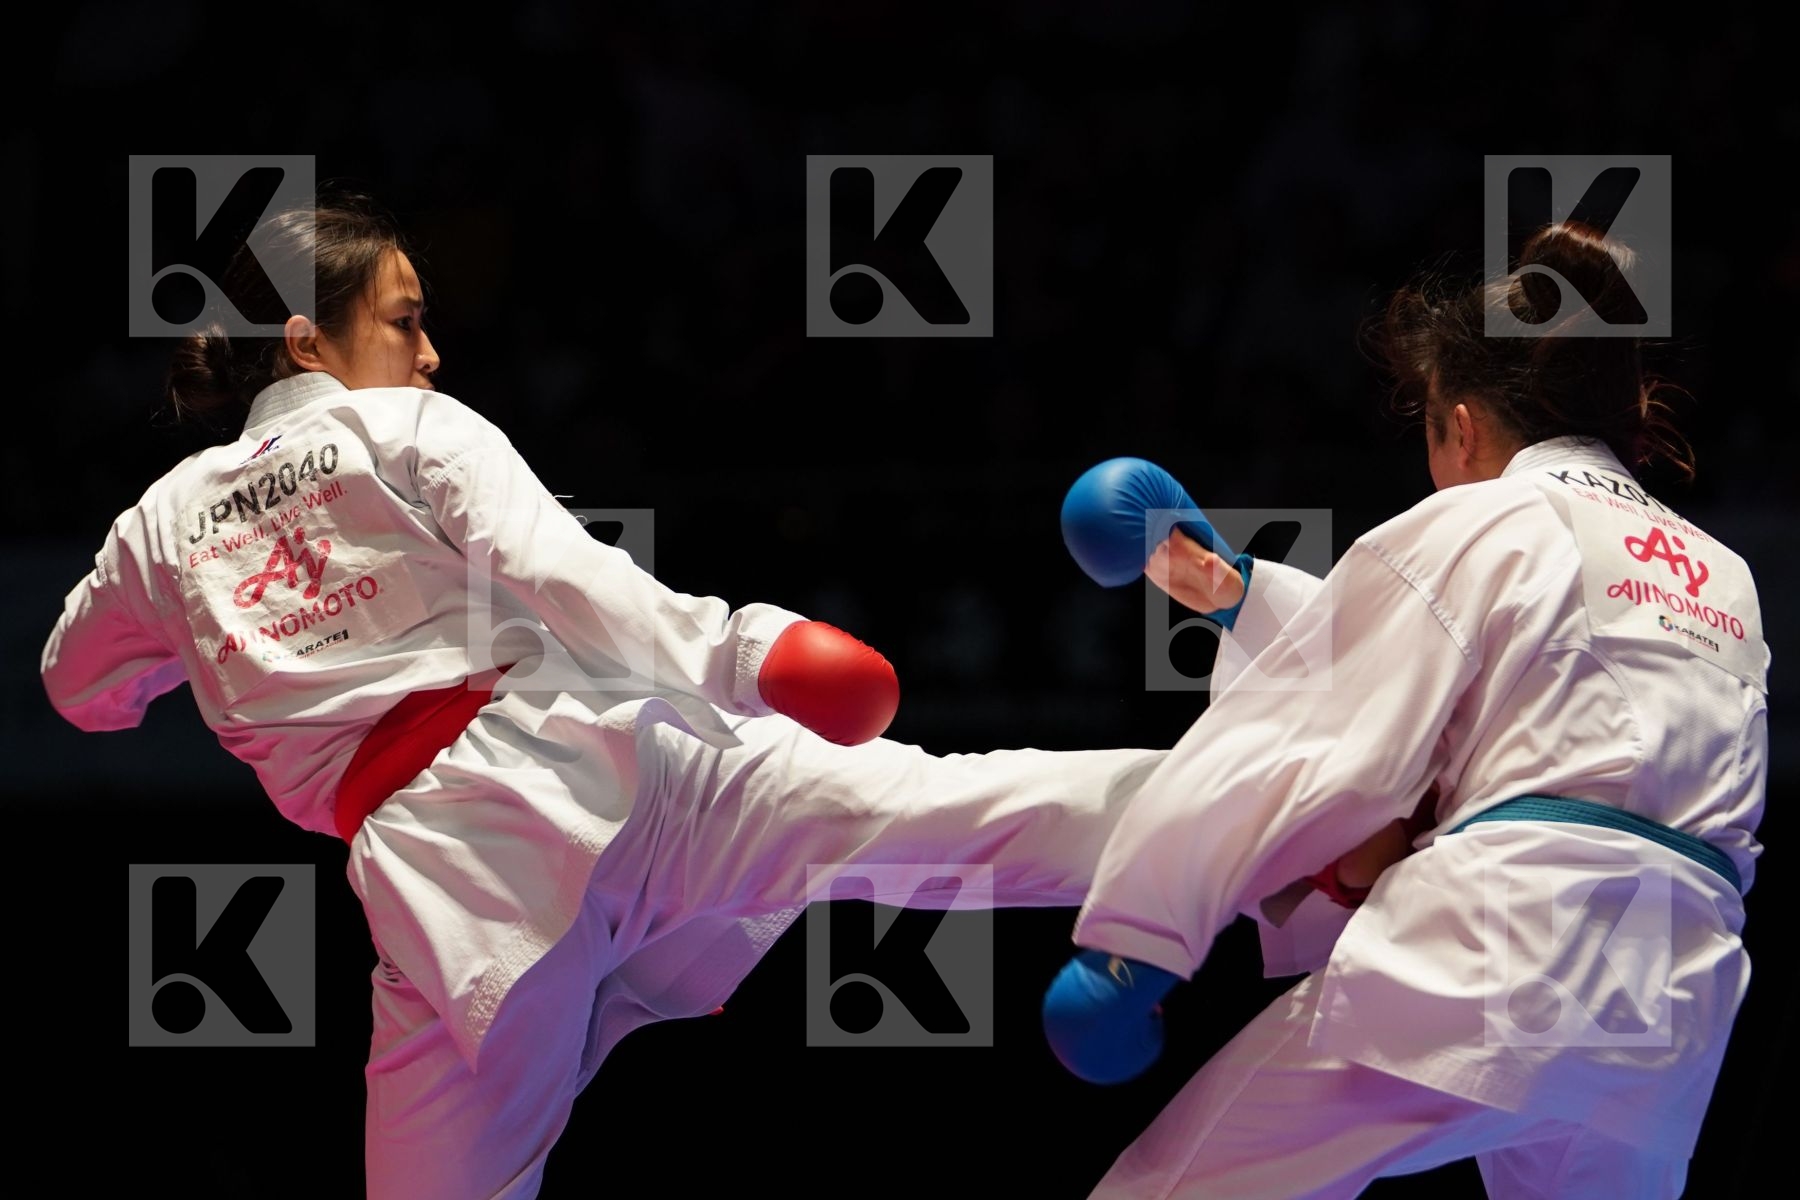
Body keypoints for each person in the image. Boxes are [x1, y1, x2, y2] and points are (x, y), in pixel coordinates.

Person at [43, 192, 1179, 1199]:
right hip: (617, 773)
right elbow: (567, 577)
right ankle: (1269, 809)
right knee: (936, 813)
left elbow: (75, 685)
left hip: (449, 883)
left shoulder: (158, 525)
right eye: (404, 321)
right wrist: (750, 653)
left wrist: (177, 661)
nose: (431, 354)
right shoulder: (401, 423)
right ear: (306, 340)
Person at [1041, 222, 1769, 1198]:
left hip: (1497, 952)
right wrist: (1225, 587)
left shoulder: (1478, 515)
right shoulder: (1726, 575)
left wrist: (1139, 944)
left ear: (1460, 425)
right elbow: (1535, 717)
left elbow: (1312, 740)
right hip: (1670, 1013)